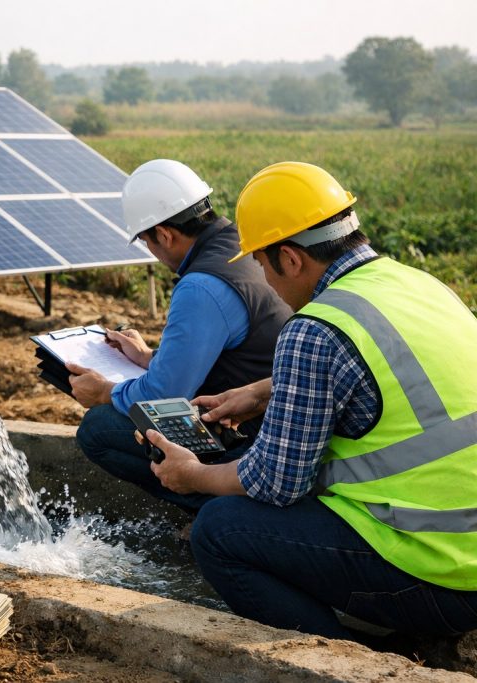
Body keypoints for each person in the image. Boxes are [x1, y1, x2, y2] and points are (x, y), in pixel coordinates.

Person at [145, 161, 477, 639]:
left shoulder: (313, 329)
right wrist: (265, 389)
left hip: (437, 573)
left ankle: (347, 656)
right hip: (464, 545)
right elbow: (396, 377)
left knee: (220, 529)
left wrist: (191, 474)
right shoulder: (417, 284)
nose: (268, 281)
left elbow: (277, 483)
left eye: (262, 264)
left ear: (292, 258)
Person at [68, 159, 291, 513]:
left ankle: (221, 509)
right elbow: (223, 348)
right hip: (277, 418)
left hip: (251, 434)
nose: (152, 252)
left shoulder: (202, 286)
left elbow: (164, 395)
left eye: (147, 241)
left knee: (99, 429)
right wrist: (146, 356)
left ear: (166, 235)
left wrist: (105, 392)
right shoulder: (239, 244)